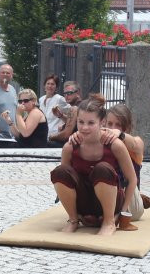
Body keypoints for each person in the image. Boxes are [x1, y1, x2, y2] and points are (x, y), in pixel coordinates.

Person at [50, 94, 139, 236]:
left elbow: (132, 179)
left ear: (102, 122)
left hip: (111, 201)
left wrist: (123, 212)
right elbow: (66, 179)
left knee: (102, 168)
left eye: (91, 123)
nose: (84, 127)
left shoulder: (114, 144)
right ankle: (73, 220)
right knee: (60, 171)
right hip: (84, 202)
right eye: (81, 122)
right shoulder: (70, 146)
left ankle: (108, 222)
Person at [103, 102, 150, 219]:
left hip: (128, 199)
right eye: (109, 124)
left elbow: (135, 144)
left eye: (118, 125)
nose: (112, 128)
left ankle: (138, 198)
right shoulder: (102, 141)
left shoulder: (136, 142)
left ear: (126, 127)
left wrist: (120, 135)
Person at [39, 75, 68, 140]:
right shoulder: (41, 99)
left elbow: (71, 115)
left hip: (55, 136)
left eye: (52, 84)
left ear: (56, 87)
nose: (50, 86)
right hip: (42, 135)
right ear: (44, 85)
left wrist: (63, 122)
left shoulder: (59, 99)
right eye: (48, 83)